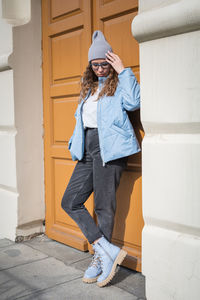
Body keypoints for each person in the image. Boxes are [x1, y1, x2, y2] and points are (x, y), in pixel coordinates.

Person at [61, 30, 140, 288]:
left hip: (110, 150)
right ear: (90, 66)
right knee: (70, 201)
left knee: (104, 206)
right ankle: (106, 248)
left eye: (104, 63)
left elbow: (133, 103)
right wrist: (75, 145)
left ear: (110, 62)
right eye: (95, 64)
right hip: (87, 150)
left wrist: (124, 70)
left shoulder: (118, 86)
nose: (99, 69)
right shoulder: (89, 88)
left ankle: (102, 258)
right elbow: (81, 121)